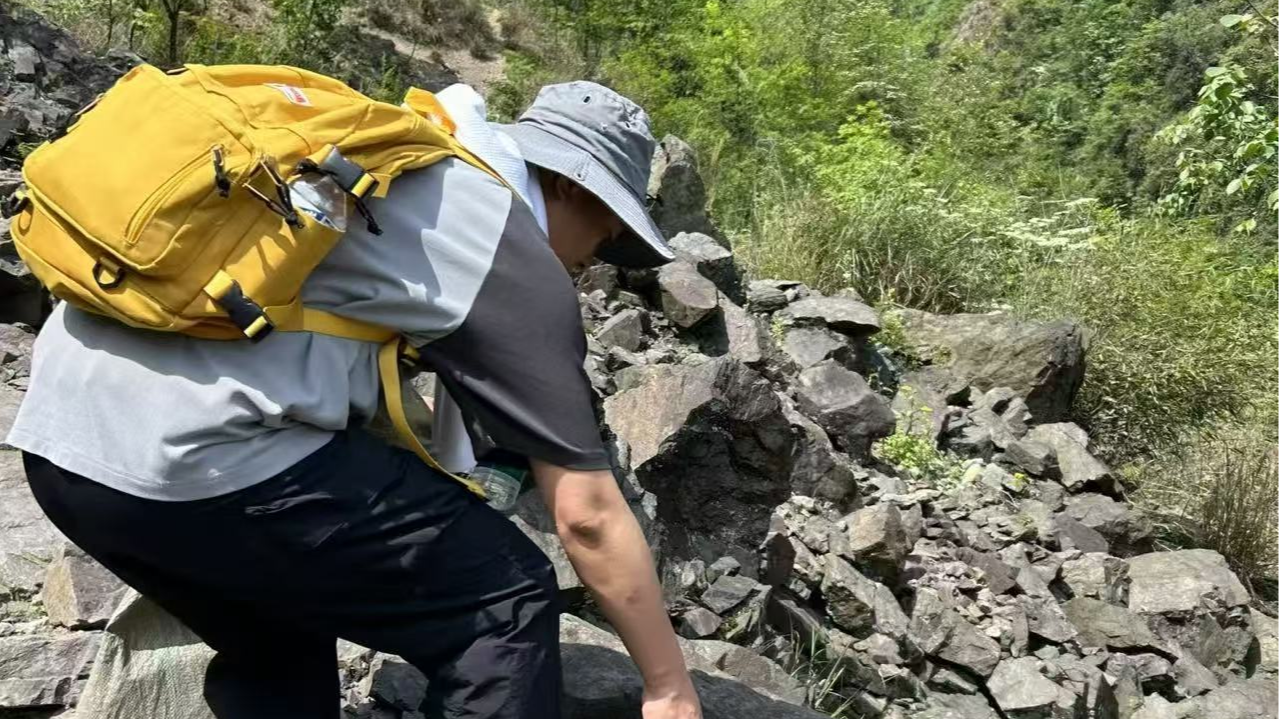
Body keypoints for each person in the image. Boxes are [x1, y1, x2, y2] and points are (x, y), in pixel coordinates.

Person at [7, 79, 703, 719]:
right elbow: (586, 515)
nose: (594, 258)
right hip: (194, 464)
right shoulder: (502, 244)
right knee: (504, 599)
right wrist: (669, 686)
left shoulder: (397, 158)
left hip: (60, 447)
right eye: (606, 232)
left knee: (279, 632)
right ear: (568, 185)